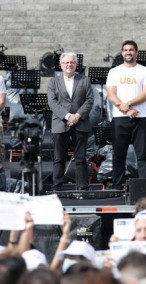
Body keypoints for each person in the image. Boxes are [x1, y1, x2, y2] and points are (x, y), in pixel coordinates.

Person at [106, 40, 146, 190]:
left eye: (131, 50)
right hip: (120, 118)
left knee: (142, 156)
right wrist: (127, 110)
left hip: (140, 118)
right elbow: (111, 95)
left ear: (136, 53)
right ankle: (117, 186)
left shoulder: (145, 71)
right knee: (119, 155)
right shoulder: (114, 72)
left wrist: (129, 104)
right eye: (126, 50)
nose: (128, 52)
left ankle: (144, 186)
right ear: (122, 53)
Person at [47, 52, 94, 191]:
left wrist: (78, 115)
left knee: (80, 158)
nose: (69, 65)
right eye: (66, 62)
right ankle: (57, 187)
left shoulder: (84, 80)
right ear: (61, 65)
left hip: (80, 123)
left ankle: (82, 187)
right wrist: (68, 116)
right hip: (61, 124)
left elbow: (90, 100)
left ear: (76, 65)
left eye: (72, 62)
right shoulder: (53, 81)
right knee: (59, 158)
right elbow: (52, 102)